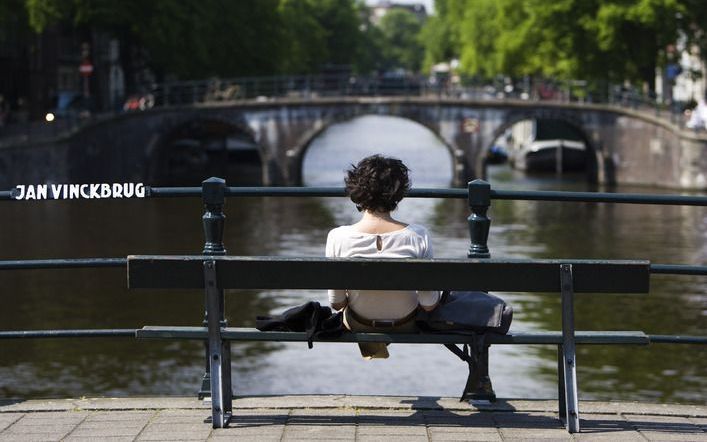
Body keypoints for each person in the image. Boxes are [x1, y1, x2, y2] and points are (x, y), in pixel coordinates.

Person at [325, 154, 441, 359]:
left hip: (359, 323)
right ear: (398, 193)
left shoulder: (337, 237)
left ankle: (374, 350)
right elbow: (428, 304)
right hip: (407, 323)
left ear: (356, 191)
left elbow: (337, 303)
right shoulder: (418, 236)